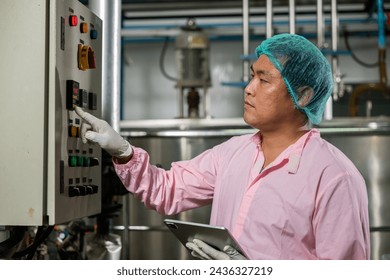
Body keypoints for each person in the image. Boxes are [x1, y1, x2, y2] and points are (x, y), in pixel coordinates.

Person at [75, 33, 370, 260]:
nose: (249, 87)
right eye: (252, 75)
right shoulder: (233, 153)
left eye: (263, 80)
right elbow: (168, 189)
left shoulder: (334, 176)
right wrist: (123, 151)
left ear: (303, 96)